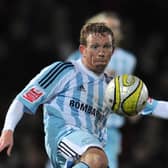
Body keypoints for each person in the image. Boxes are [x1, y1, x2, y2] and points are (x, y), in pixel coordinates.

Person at [0, 23, 167, 168]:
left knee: (97, 160)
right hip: (63, 138)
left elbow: (155, 106)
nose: (101, 52)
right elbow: (23, 99)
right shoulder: (64, 71)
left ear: (113, 51)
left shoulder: (115, 88)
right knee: (97, 158)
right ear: (82, 50)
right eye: (95, 46)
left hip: (88, 155)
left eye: (106, 47)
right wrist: (8, 129)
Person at [66, 11, 168, 168]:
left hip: (109, 131)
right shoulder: (75, 58)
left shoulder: (127, 60)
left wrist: (132, 107)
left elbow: (127, 95)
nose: (113, 32)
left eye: (117, 28)